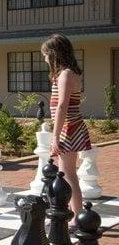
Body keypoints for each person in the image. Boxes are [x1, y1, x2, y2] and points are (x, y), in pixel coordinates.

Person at [41, 34, 91, 231]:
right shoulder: (66, 73)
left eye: (46, 55)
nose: (45, 59)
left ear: (54, 54)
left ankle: (77, 217)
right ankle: (69, 214)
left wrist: (55, 136)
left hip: (68, 128)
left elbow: (62, 106)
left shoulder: (66, 74)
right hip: (70, 126)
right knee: (66, 174)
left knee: (68, 174)